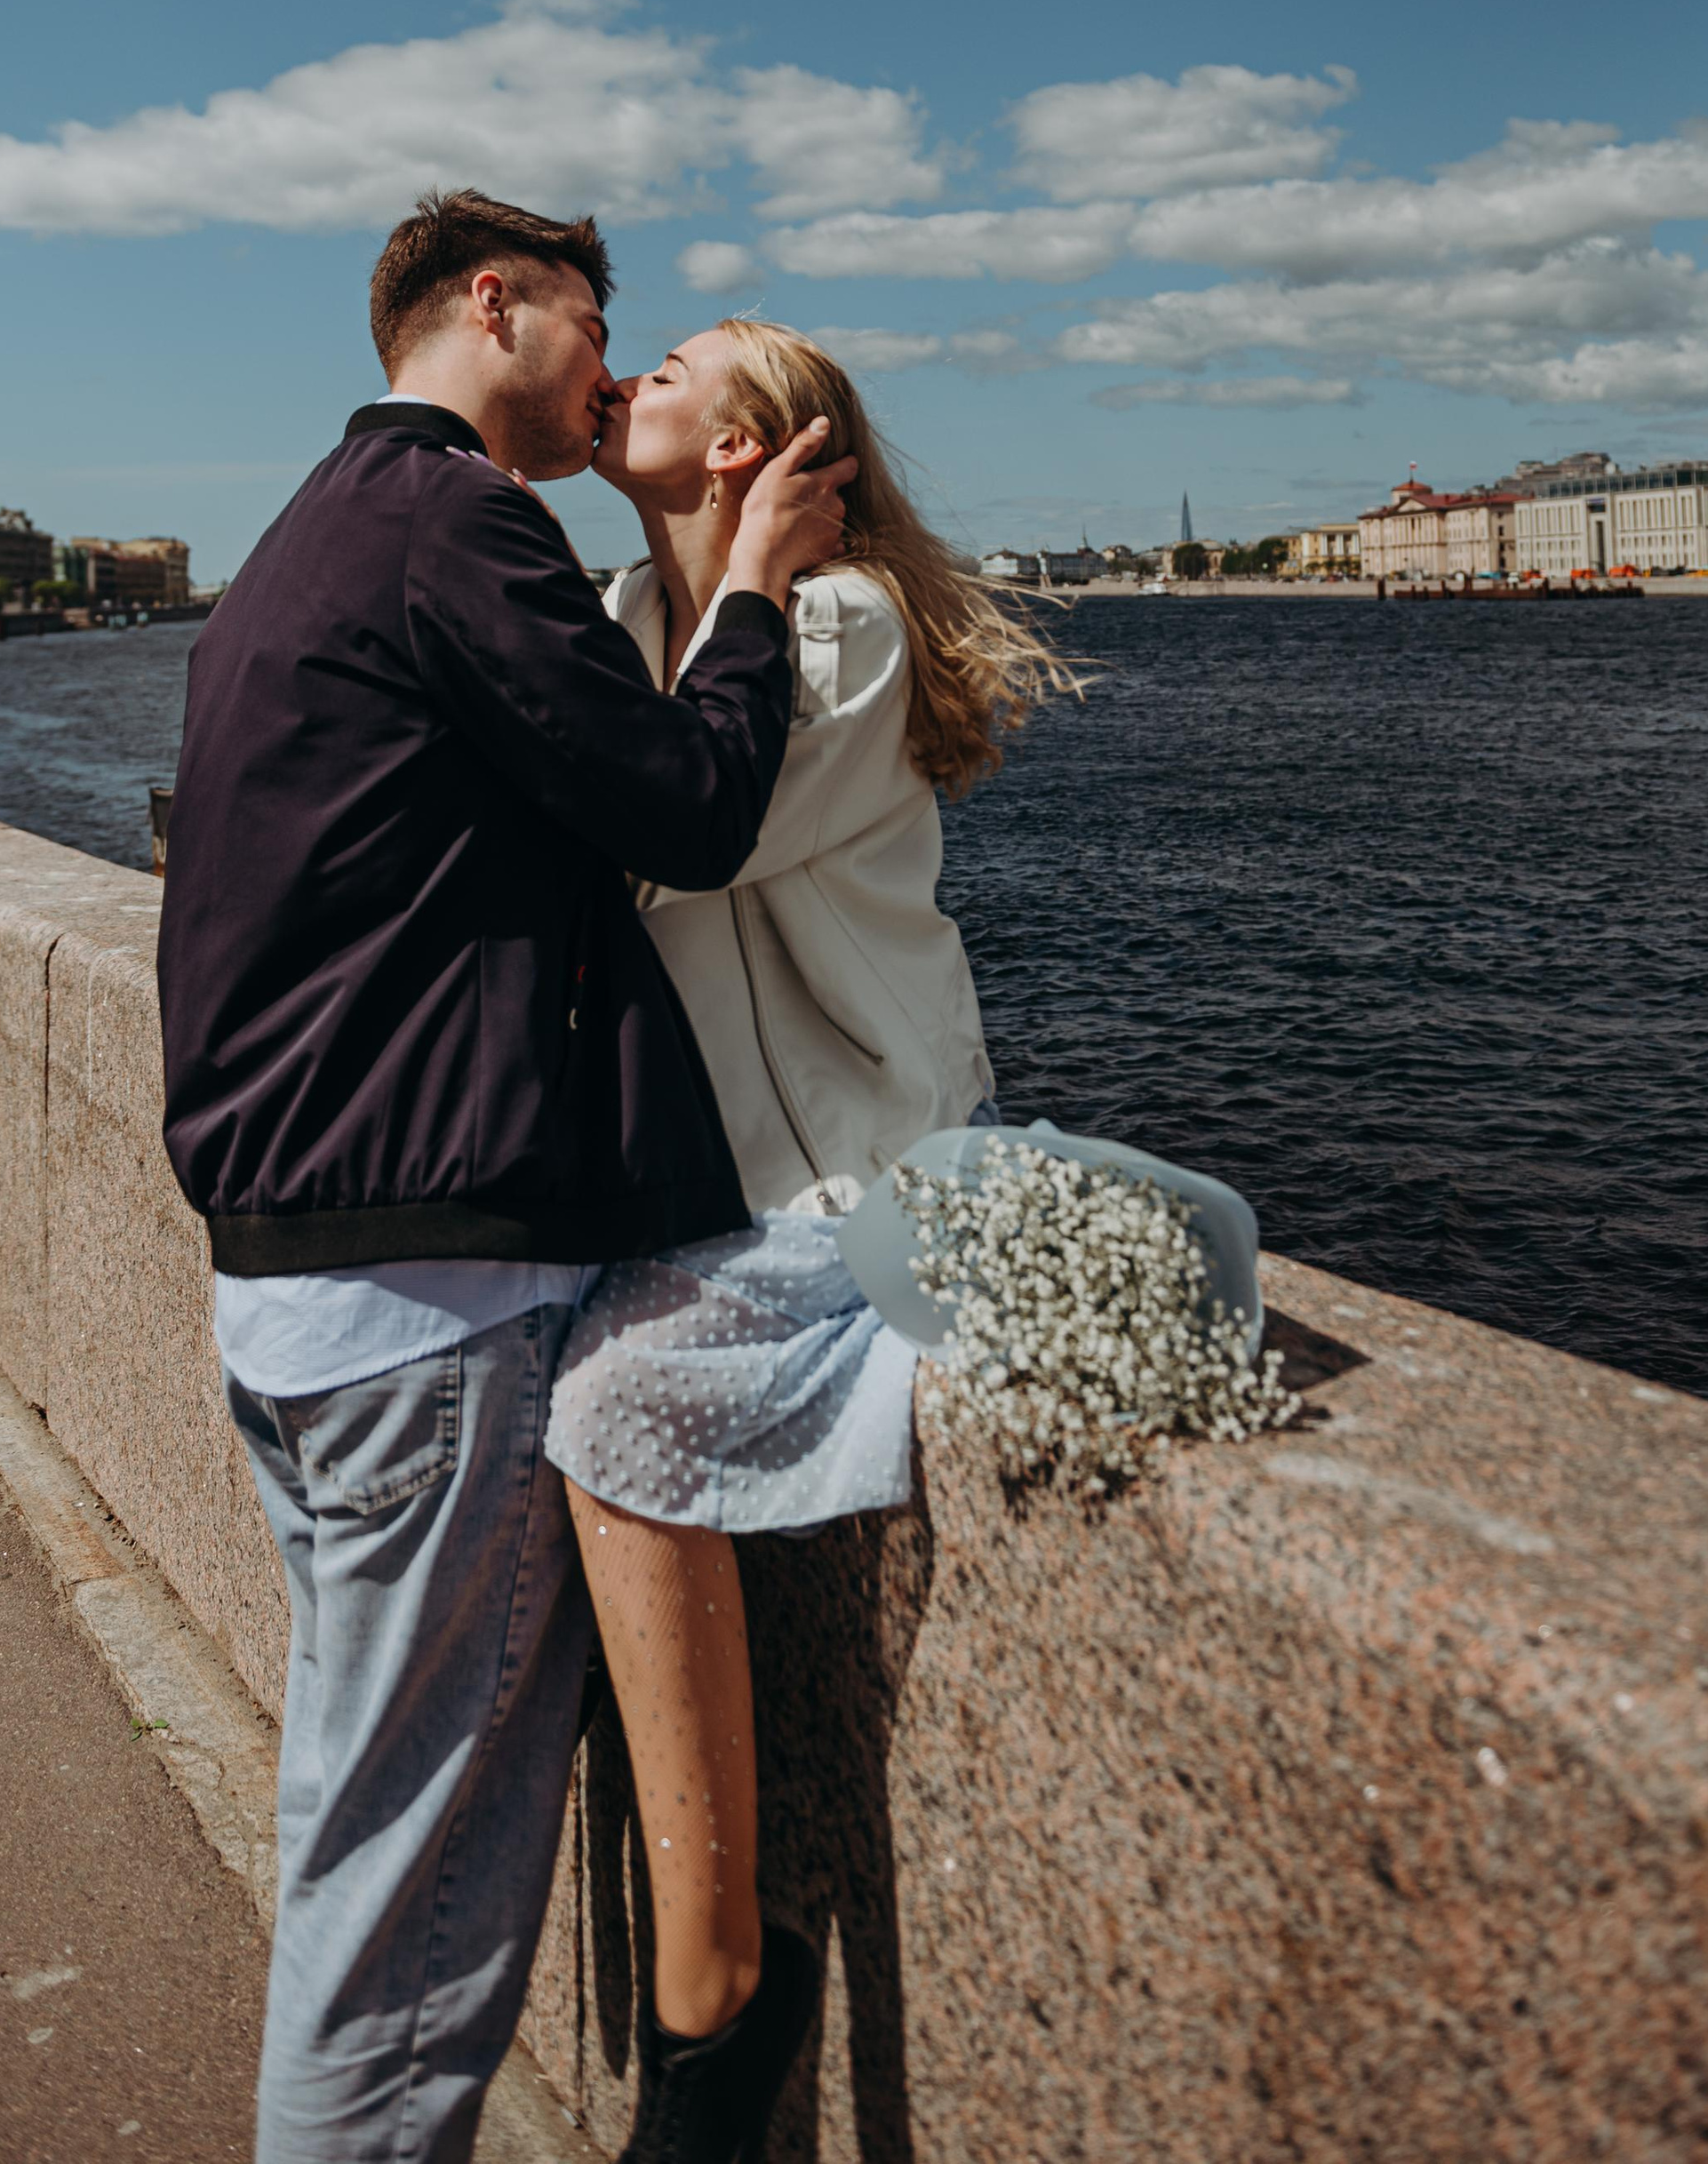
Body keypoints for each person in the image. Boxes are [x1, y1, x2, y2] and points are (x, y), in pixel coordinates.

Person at [156, 195, 855, 2164]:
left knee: (351, 1854)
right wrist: (757, 596)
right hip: (435, 1319)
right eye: (591, 320)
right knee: (400, 1968)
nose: (607, 369)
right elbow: (687, 806)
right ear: (496, 302)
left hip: (299, 1287)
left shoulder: (294, 547)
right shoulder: (454, 518)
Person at [545, 318, 1073, 2164]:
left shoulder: (830, 621)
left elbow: (691, 837)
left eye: (673, 362)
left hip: (856, 1178)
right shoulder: (623, 608)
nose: (633, 374)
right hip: (711, 1182)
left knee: (616, 1407)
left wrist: (759, 579)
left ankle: (717, 2002)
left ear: (751, 441)